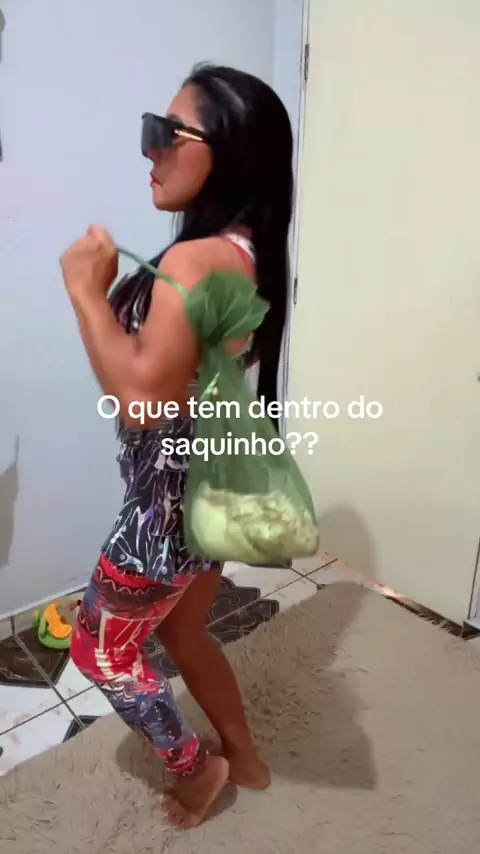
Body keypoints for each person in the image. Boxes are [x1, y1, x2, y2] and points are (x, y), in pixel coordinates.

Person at [60, 63, 294, 829]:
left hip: (163, 512)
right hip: (210, 488)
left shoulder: (197, 261)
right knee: (183, 632)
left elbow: (142, 402)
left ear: (226, 150)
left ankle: (202, 769)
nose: (149, 150)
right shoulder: (250, 250)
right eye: (148, 129)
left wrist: (86, 293)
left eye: (165, 133)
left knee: (100, 653)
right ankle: (246, 755)